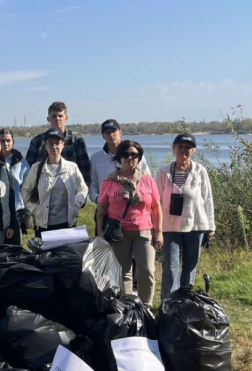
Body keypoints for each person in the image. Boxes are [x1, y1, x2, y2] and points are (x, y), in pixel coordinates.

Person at [95, 140, 163, 308]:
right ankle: (127, 307)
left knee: (147, 272)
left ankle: (145, 307)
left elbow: (156, 206)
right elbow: (101, 210)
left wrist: (159, 232)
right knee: (123, 272)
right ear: (119, 157)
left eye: (134, 154)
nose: (129, 158)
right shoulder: (109, 181)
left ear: (139, 157)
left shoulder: (147, 180)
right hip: (119, 233)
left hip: (144, 231)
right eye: (125, 154)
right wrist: (100, 234)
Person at [156, 133, 216, 301]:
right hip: (169, 227)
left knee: (190, 267)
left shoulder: (200, 171)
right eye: (180, 146)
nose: (183, 150)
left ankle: (184, 304)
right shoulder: (163, 172)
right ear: (174, 149)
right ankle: (169, 305)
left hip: (196, 226)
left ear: (193, 151)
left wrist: (211, 226)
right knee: (170, 267)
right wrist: (156, 228)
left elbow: (208, 198)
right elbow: (157, 201)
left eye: (187, 147)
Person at [21, 129, 88, 234]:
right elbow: (25, 191)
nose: (54, 147)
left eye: (57, 143)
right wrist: (35, 210)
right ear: (45, 145)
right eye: (50, 143)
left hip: (67, 224)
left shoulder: (72, 167)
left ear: (63, 144)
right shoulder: (36, 168)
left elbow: (83, 189)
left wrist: (76, 205)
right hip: (43, 225)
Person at [25, 101, 91, 188]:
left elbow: (85, 168)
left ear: (66, 118)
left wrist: (83, 194)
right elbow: (28, 170)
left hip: (71, 191)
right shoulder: (37, 141)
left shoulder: (76, 140)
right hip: (43, 192)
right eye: (54, 116)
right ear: (48, 119)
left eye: (60, 116)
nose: (57, 119)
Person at [88, 119, 150, 204]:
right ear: (103, 136)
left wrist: (141, 197)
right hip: (106, 208)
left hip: (132, 205)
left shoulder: (135, 154)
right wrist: (99, 199)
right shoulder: (95, 158)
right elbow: (93, 185)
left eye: (114, 131)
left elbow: (147, 179)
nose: (111, 135)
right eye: (107, 132)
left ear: (120, 132)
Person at [0, 127, 30, 245]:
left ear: (13, 142)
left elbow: (27, 187)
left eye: (8, 140)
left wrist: (28, 211)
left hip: (16, 210)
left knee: (15, 245)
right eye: (2, 141)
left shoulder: (21, 162)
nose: (5, 144)